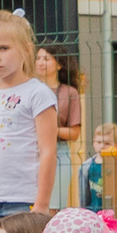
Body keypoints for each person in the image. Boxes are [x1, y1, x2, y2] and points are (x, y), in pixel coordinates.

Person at [0, 11, 58, 220]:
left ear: (26, 50)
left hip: (23, 199)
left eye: (4, 48)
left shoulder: (38, 94)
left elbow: (48, 151)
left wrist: (42, 203)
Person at [34, 45, 82, 209]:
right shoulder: (30, 90)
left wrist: (48, 129)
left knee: (53, 208)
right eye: (38, 58)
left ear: (59, 64)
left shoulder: (69, 93)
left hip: (59, 151)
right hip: (30, 150)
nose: (40, 62)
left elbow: (75, 133)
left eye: (46, 59)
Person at [81, 122, 117, 213]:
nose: (102, 146)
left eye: (107, 143)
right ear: (94, 142)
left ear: (116, 145)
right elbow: (83, 191)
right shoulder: (87, 166)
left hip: (112, 212)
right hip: (92, 211)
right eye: (99, 142)